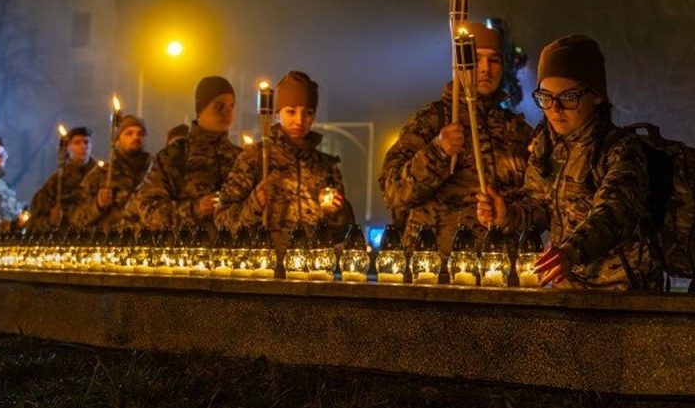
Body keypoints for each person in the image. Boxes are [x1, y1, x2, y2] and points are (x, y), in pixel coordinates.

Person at [477, 34, 661, 290]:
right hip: (567, 290)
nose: (555, 109)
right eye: (546, 97)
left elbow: (613, 214)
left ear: (596, 96)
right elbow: (539, 205)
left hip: (621, 293)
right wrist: (509, 214)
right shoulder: (546, 148)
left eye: (568, 97)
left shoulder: (620, 150)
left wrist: (571, 252)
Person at [381, 22, 532, 254]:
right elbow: (393, 191)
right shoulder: (433, 120)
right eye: (476, 59)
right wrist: (437, 151)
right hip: (437, 267)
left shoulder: (517, 131)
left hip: (499, 268)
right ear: (460, 65)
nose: (485, 68)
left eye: (494, 60)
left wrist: (510, 214)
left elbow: (538, 198)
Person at [216, 71, 354, 249]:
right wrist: (254, 206)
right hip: (263, 269)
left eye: (308, 112)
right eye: (291, 111)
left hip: (310, 270)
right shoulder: (256, 158)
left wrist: (337, 213)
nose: (300, 120)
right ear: (277, 113)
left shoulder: (326, 166)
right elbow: (223, 221)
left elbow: (342, 235)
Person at [133, 76, 241, 231]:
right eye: (219, 106)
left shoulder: (240, 157)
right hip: (185, 250)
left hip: (234, 252)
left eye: (231, 105)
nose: (227, 111)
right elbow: (149, 210)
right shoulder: (173, 156)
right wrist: (196, 209)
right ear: (201, 109)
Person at [70, 116, 150, 229]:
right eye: (129, 133)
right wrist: (98, 204)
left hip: (149, 242)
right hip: (112, 242)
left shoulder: (154, 171)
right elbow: (75, 218)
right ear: (117, 139)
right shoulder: (102, 173)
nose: (136, 137)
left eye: (140, 134)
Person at [27, 126, 96, 232]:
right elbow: (36, 219)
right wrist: (50, 222)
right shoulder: (56, 181)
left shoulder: (101, 176)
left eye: (86, 142)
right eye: (77, 143)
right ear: (68, 147)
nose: (83, 146)